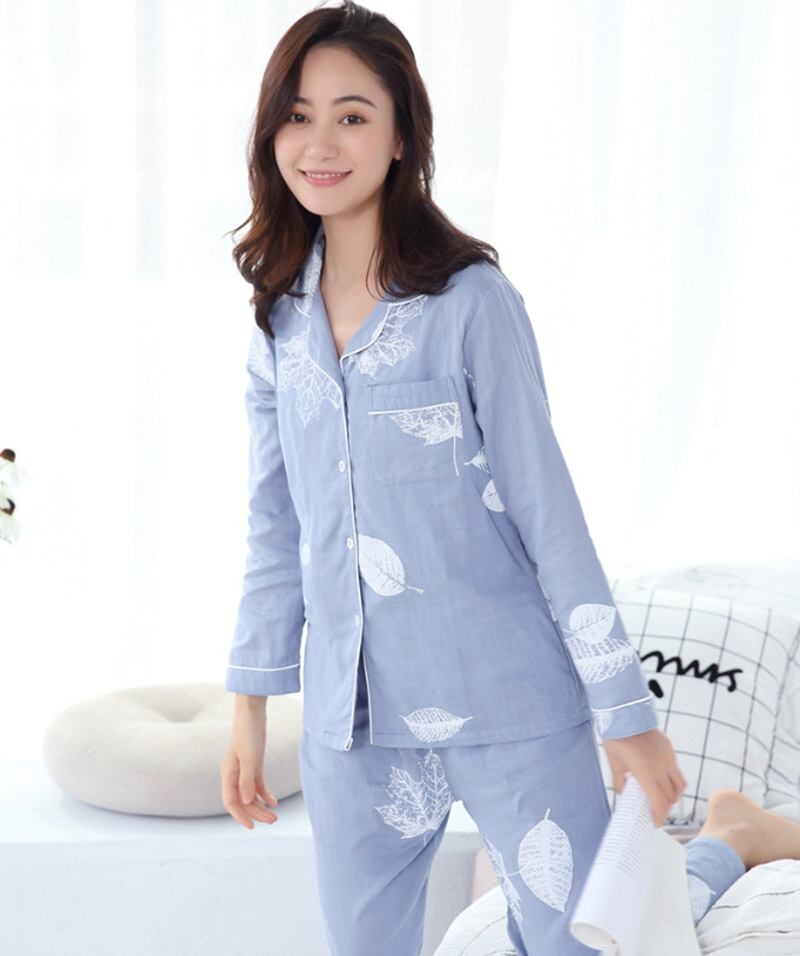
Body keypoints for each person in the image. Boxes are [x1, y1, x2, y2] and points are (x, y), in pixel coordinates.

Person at [214, 2, 766, 952]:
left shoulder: (472, 303)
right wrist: (249, 708)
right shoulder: (280, 320)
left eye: (352, 115)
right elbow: (278, 528)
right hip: (354, 720)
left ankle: (725, 843)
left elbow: (549, 514)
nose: (320, 143)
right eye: (297, 116)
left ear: (401, 137)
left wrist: (624, 715)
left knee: (595, 936)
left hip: (510, 697)